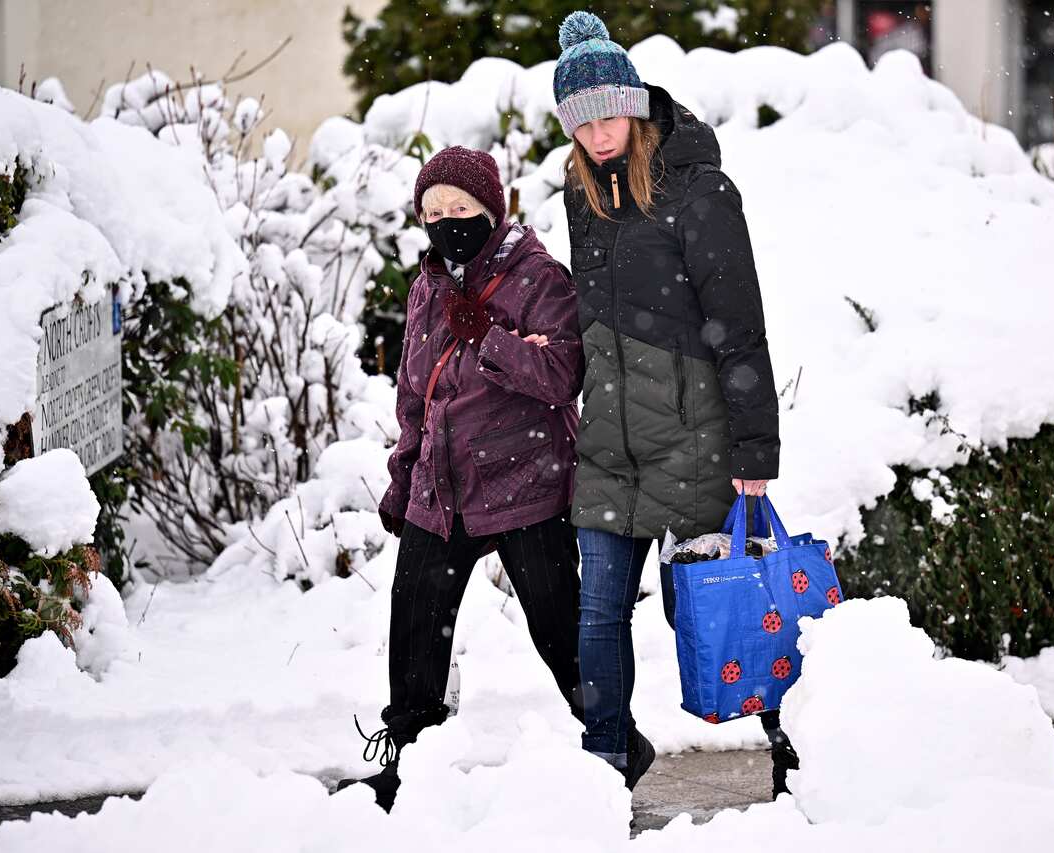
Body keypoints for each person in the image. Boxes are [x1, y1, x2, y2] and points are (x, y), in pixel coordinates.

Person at [552, 12, 798, 797]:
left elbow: (739, 323)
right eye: (579, 120)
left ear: (636, 105)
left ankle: (796, 742)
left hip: (694, 441)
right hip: (610, 445)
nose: (596, 133)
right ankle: (608, 764)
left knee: (722, 608)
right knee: (596, 618)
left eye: (607, 113)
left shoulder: (698, 190)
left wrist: (755, 452)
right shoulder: (582, 194)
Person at [340, 146, 585, 812]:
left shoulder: (536, 278)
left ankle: (612, 739)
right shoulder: (427, 282)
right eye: (434, 211)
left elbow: (564, 375)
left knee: (562, 628)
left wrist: (490, 337)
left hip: (523, 482)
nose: (447, 222)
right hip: (440, 489)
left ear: (491, 209)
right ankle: (411, 762)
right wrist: (402, 477)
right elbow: (416, 392)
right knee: (415, 623)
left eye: (462, 209)